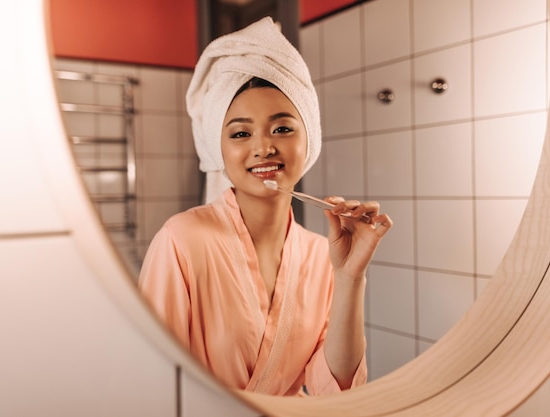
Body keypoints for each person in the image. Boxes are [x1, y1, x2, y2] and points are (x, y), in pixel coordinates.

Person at [138, 16, 392, 397]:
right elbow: (151, 383)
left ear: (310, 138)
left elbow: (332, 391)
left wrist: (350, 276)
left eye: (283, 128)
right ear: (217, 149)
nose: (263, 148)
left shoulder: (320, 254)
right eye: (241, 133)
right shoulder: (181, 241)